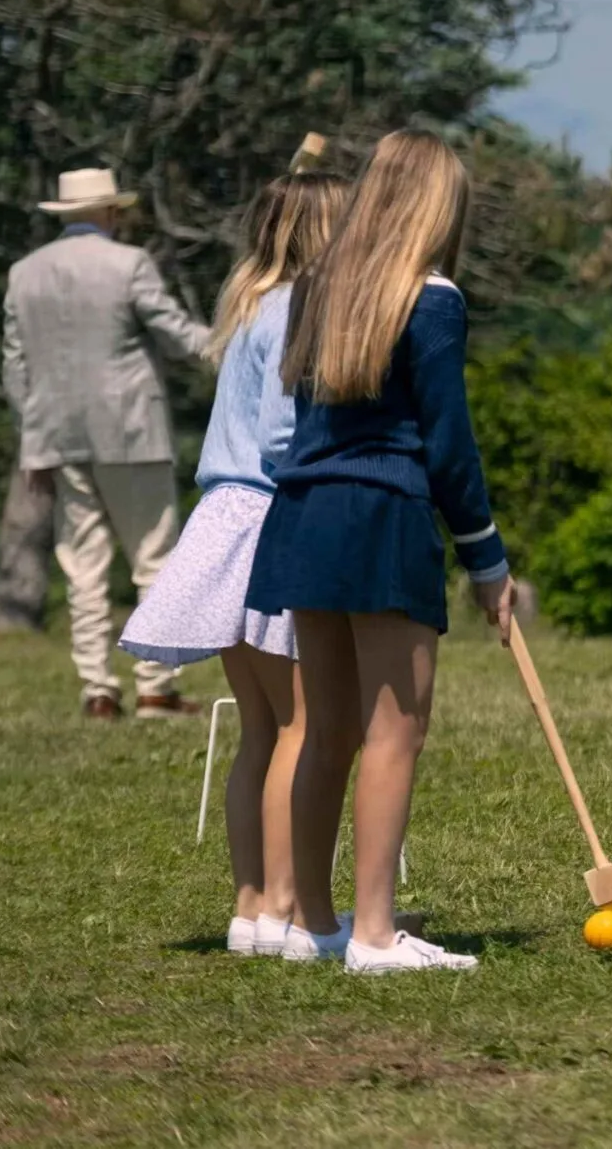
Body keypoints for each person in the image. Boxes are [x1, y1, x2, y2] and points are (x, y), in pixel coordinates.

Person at [243, 132, 513, 973]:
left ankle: (312, 925)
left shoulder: (319, 289)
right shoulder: (431, 300)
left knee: (326, 731)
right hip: (382, 519)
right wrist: (488, 559)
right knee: (397, 731)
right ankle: (374, 934)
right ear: (437, 210)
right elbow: (450, 446)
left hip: (303, 514)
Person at [119, 171, 348, 956]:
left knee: (260, 728)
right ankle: (285, 906)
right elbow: (285, 434)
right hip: (266, 518)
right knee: (301, 724)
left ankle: (250, 906)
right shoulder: (296, 309)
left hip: (220, 518)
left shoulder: (248, 303)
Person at [2, 166, 212, 719]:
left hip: (60, 438)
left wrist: (34, 437)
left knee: (83, 568)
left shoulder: (24, 273)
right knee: (155, 560)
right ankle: (154, 685)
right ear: (108, 213)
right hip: (130, 431)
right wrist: (228, 342)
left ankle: (97, 687)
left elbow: (14, 366)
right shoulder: (129, 264)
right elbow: (172, 330)